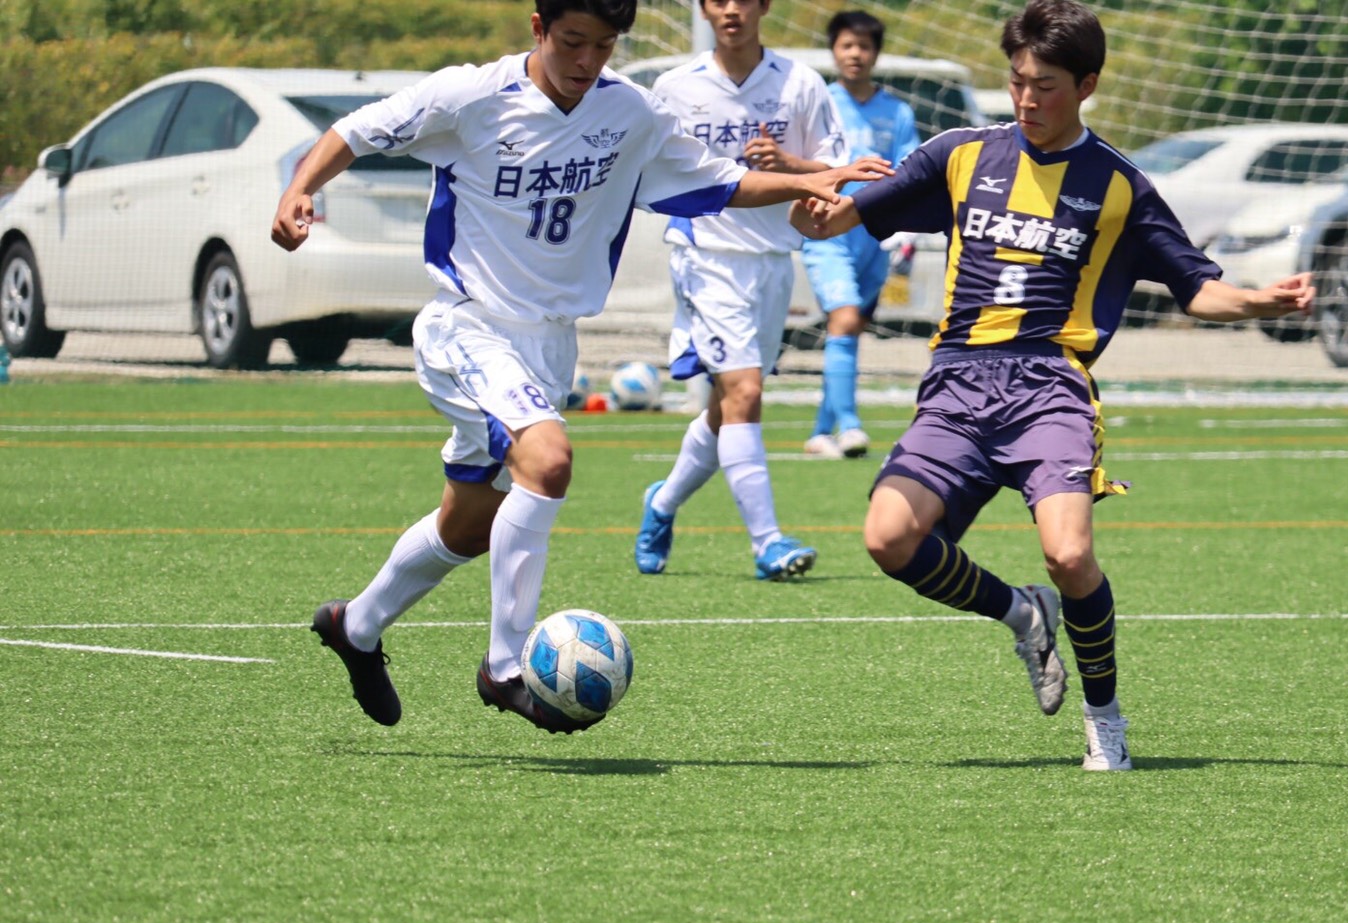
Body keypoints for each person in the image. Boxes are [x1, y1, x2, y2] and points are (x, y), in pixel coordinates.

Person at [272, 0, 887, 730]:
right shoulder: (471, 96)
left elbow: (719, 182)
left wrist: (810, 180)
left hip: (548, 342)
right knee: (549, 460)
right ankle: (504, 667)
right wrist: (301, 188)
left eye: (603, 46)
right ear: (538, 29)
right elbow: (355, 130)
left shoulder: (631, 115)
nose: (586, 61)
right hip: (467, 325)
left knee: (468, 527)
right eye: (571, 42)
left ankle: (357, 626)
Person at [791, 0, 1314, 769]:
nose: (1028, 99)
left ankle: (1104, 718)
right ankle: (1020, 615)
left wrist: (1261, 299)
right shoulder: (961, 155)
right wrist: (811, 216)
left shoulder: (1119, 187)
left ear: (1088, 85)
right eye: (1017, 81)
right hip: (959, 387)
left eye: (1046, 86)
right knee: (887, 538)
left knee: (1069, 557)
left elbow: (1197, 288)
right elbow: (837, 219)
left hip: (1049, 390)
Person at [632, 0, 847, 581]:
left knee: (728, 407)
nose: (731, 10)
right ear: (704, 9)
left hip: (774, 260)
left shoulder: (800, 83)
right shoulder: (674, 86)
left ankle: (663, 501)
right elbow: (647, 165)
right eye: (718, 0)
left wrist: (788, 163)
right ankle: (768, 542)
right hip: (705, 255)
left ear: (764, 6)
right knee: (746, 391)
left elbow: (834, 169)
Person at [799, 10, 921, 460]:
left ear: (875, 54)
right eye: (847, 45)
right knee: (845, 318)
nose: (856, 54)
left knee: (850, 329)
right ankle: (850, 427)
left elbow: (910, 171)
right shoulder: (818, 103)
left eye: (864, 47)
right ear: (833, 50)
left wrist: (904, 229)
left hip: (875, 236)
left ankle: (820, 431)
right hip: (827, 228)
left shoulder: (898, 112)